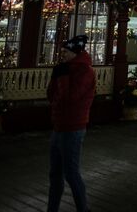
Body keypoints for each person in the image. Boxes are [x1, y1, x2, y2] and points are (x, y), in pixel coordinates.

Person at [46, 35, 96, 212]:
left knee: (71, 173)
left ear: (75, 53)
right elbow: (52, 94)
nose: (63, 55)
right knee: (55, 174)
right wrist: (57, 77)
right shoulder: (64, 70)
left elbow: (71, 97)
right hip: (59, 126)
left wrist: (62, 77)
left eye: (66, 52)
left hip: (74, 127)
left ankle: (83, 209)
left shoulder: (85, 72)